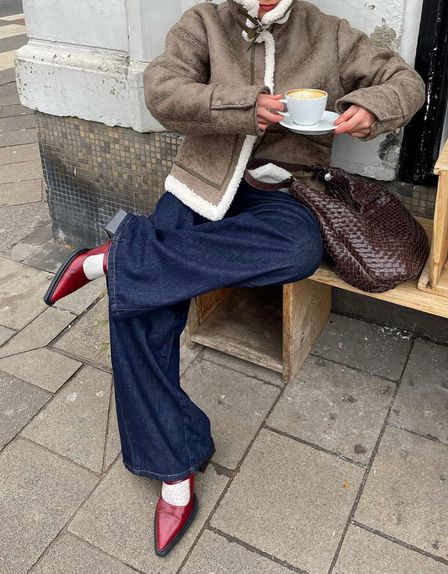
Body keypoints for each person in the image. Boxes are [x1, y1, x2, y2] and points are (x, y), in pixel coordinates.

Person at [43, 0, 425, 557]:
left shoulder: (328, 32)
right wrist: (244, 105)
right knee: (141, 307)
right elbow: (162, 90)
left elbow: (405, 81)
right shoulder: (205, 21)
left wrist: (371, 107)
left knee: (296, 251)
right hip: (204, 177)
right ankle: (174, 465)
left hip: (287, 189)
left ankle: (115, 256)